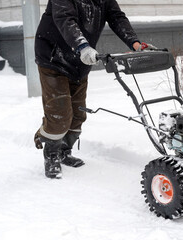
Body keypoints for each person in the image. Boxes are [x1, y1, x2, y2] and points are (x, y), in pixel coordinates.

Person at [33, 0, 148, 179]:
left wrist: (135, 43)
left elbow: (117, 17)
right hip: (53, 57)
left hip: (79, 61)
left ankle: (64, 150)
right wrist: (82, 46)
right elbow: (64, 18)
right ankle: (51, 153)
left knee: (78, 113)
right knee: (60, 113)